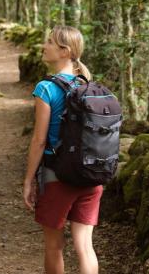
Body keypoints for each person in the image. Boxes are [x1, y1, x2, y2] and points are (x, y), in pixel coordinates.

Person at [23, 25, 102, 274]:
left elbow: (39, 140)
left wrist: (28, 181)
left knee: (54, 246)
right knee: (85, 246)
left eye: (49, 42)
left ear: (65, 52)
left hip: (57, 176)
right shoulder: (87, 85)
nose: (44, 47)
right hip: (91, 175)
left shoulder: (46, 88)